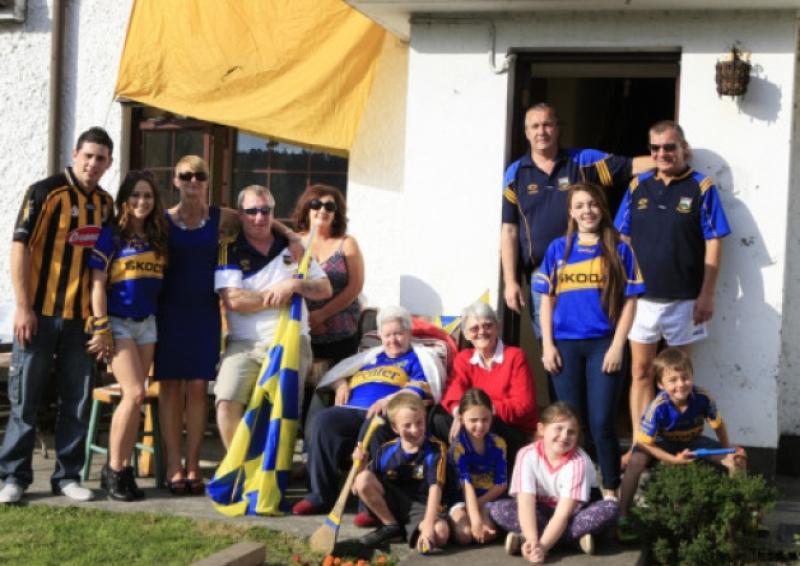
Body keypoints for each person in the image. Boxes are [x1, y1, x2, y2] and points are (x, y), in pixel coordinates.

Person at [0, 127, 115, 504]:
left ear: (109, 163)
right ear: (74, 154)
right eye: (88, 155)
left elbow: (101, 266)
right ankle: (14, 477)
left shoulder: (106, 205)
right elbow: (20, 248)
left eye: (101, 158)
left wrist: (100, 321)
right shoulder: (45, 192)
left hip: (80, 320)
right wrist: (23, 306)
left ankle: (67, 476)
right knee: (25, 399)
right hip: (39, 315)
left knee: (77, 401)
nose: (93, 163)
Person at [614, 121, 731, 463]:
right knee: (640, 372)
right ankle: (641, 446)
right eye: (655, 148)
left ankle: (675, 447)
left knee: (678, 379)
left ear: (684, 149)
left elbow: (714, 241)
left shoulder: (701, 187)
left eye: (669, 147)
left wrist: (707, 294)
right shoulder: (638, 185)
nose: (662, 153)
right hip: (642, 301)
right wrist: (622, 288)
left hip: (685, 300)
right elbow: (622, 237)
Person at [500, 102, 652, 337]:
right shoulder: (515, 173)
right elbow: (509, 230)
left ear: (557, 128)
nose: (542, 131)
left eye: (547, 124)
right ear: (527, 132)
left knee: (591, 338)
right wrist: (510, 282)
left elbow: (630, 166)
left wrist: (667, 156)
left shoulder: (582, 161)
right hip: (542, 273)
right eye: (535, 126)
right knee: (548, 343)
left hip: (587, 267)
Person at [535, 183, 645, 498]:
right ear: (571, 212)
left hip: (603, 346)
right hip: (564, 346)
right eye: (580, 205)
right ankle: (568, 490)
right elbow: (546, 301)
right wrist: (547, 345)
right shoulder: (558, 248)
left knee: (601, 422)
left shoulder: (620, 249)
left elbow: (631, 301)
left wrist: (617, 345)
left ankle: (610, 491)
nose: (587, 211)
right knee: (568, 424)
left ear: (602, 208)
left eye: (593, 204)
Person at [293, 305, 444, 517]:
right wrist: (340, 384)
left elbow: (422, 388)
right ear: (380, 336)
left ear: (409, 333)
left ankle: (370, 507)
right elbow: (338, 373)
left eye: (398, 334)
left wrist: (389, 401)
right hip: (351, 409)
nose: (393, 340)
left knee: (373, 426)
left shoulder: (417, 358)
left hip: (388, 413)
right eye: (388, 335)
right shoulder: (370, 358)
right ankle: (320, 496)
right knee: (323, 421)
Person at [214, 185, 332, 452]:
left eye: (265, 210)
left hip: (292, 340)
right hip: (244, 344)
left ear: (273, 212)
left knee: (283, 410)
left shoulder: (294, 248)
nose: (259, 217)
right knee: (226, 400)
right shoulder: (229, 249)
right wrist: (276, 295)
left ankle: (276, 471)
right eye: (252, 211)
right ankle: (241, 466)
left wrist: (294, 285)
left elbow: (325, 288)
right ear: (241, 215)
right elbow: (234, 301)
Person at [154, 155, 236, 495]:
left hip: (204, 313)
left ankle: (193, 463)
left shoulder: (221, 217)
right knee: (170, 387)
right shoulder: (162, 220)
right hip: (168, 312)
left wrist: (290, 235)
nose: (192, 181)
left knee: (199, 387)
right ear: (175, 180)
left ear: (207, 180)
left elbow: (260, 221)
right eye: (185, 175)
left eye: (199, 176)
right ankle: (173, 464)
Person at [86, 170, 168, 501]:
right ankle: (114, 470)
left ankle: (122, 470)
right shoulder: (111, 236)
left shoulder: (158, 236)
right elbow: (96, 284)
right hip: (118, 323)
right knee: (133, 393)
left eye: (147, 195)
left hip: (147, 324)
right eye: (135, 195)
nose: (141, 201)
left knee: (137, 397)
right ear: (124, 200)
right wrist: (101, 326)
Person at [617, 348, 746, 542]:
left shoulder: (703, 397)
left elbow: (718, 425)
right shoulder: (657, 407)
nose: (681, 384)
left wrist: (727, 450)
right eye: (673, 380)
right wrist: (672, 460)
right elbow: (646, 444)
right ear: (660, 384)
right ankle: (622, 516)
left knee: (737, 459)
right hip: (661, 443)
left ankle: (740, 512)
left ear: (692, 376)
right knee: (636, 461)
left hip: (692, 441)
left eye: (685, 378)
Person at [489, 402, 619, 563]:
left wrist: (542, 548)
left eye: (571, 432)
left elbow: (562, 514)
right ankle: (572, 541)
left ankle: (534, 541)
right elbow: (525, 503)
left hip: (573, 515)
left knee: (610, 507)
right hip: (540, 513)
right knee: (498, 508)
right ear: (541, 429)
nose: (564, 436)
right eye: (558, 428)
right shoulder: (526, 454)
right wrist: (532, 540)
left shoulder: (579, 461)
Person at [433, 301, 537, 469]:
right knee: (438, 418)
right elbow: (452, 393)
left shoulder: (515, 356)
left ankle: (476, 471)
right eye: (474, 328)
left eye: (487, 326)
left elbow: (523, 407)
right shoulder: (464, 358)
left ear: (498, 327)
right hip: (474, 425)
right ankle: (467, 470)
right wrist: (462, 414)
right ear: (466, 334)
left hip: (507, 428)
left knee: (482, 423)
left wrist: (481, 412)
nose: (481, 332)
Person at [352, 392, 450, 553]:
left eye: (419, 422)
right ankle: (391, 526)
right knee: (362, 479)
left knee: (440, 534)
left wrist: (427, 526)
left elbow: (436, 488)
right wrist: (360, 466)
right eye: (407, 425)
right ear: (395, 428)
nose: (415, 429)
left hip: (422, 507)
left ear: (425, 418)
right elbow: (357, 489)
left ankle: (412, 531)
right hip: (393, 506)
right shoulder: (386, 450)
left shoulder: (436, 448)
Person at [291, 184, 364, 363]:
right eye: (316, 204)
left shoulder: (347, 243)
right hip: (299, 328)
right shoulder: (293, 242)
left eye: (329, 206)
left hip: (341, 332)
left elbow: (355, 287)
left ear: (336, 213)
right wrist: (309, 320)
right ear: (307, 209)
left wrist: (322, 315)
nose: (323, 210)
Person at [448, 388, 508, 545]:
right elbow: (466, 485)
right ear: (461, 419)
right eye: (473, 420)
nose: (480, 425)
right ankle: (454, 522)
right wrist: (475, 520)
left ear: (491, 417)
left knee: (485, 533)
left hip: (488, 498)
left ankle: (502, 532)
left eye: (485, 419)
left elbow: (501, 484)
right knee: (465, 535)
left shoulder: (498, 443)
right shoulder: (458, 448)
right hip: (462, 499)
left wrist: (479, 505)